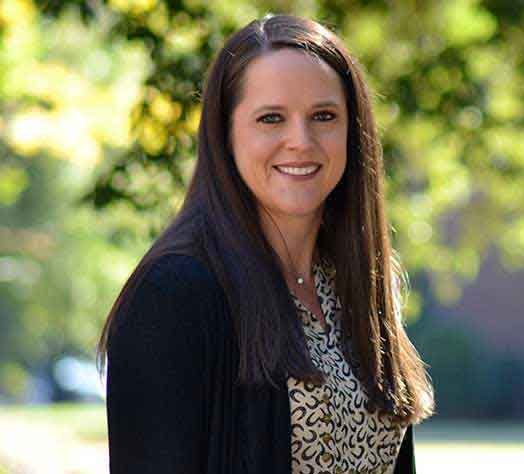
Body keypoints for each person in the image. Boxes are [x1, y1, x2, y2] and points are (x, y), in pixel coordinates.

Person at [96, 13, 435, 474]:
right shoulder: (173, 296)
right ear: (226, 135)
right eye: (271, 118)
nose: (301, 141)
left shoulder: (360, 285)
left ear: (353, 132)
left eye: (324, 116)